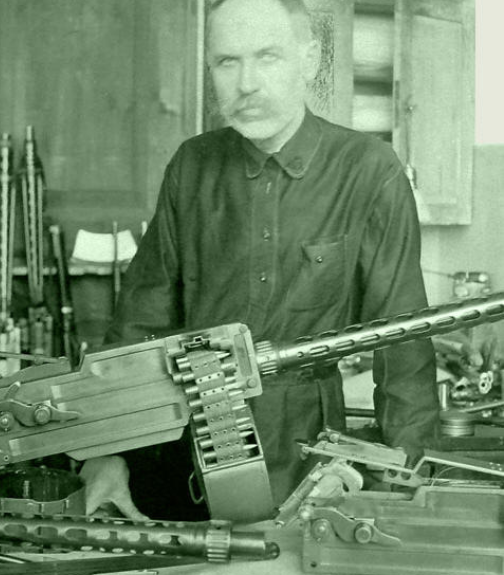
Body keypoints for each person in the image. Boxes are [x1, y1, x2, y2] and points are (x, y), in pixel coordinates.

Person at [81, 0, 439, 521]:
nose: (245, 83)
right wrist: (106, 452)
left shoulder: (369, 172)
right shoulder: (191, 166)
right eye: (227, 62)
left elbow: (403, 353)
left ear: (309, 59)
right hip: (185, 464)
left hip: (315, 475)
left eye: (267, 57)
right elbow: (139, 326)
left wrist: (400, 489)